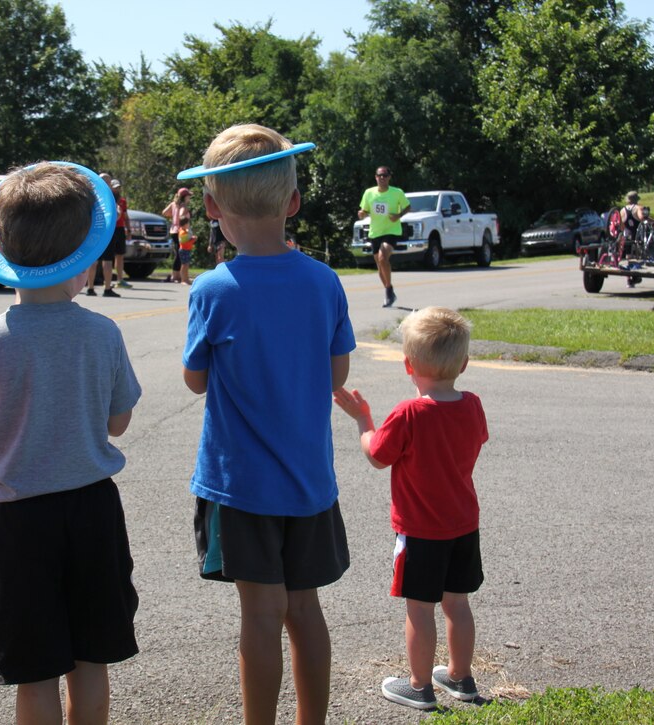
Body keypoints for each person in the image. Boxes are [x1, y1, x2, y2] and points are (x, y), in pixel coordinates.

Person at [0, 164, 142, 724]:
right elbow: (118, 423)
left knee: (34, 668)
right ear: (86, 248)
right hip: (94, 510)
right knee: (90, 658)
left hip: (21, 519)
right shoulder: (103, 332)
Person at [182, 124, 355, 724]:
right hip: (308, 481)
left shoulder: (211, 290)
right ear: (293, 202)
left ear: (210, 206)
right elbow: (336, 376)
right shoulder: (324, 281)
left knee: (258, 615)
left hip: (241, 485)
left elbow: (196, 380)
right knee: (303, 609)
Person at [333, 306, 488, 712]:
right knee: (457, 602)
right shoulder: (472, 405)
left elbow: (378, 455)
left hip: (421, 530)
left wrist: (364, 421)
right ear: (464, 363)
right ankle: (460, 676)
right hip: (463, 525)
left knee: (419, 607)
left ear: (408, 365)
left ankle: (420, 686)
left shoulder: (409, 413)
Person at [358, 166, 411, 307]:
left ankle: (388, 291)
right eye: (379, 175)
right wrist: (362, 213)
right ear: (375, 177)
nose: (382, 178)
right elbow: (364, 210)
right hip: (375, 232)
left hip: (392, 230)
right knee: (380, 265)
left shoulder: (397, 192)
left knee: (383, 258)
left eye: (385, 175)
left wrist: (398, 215)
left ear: (389, 177)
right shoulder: (369, 193)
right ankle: (389, 289)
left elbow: (408, 207)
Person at [86, 172, 122, 297]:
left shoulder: (91, 194)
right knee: (104, 261)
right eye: (108, 181)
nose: (108, 184)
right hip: (104, 231)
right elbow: (117, 214)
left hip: (96, 231)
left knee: (97, 260)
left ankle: (92, 288)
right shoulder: (108, 196)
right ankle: (105, 288)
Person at [162, 186, 191, 282]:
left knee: (178, 253)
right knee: (180, 253)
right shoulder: (183, 206)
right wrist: (183, 219)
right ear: (184, 197)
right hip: (180, 231)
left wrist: (173, 216)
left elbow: (164, 212)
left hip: (173, 230)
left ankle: (176, 274)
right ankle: (175, 275)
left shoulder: (173, 204)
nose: (189, 198)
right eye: (188, 196)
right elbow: (181, 216)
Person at [620, 191, 647, 287]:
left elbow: (621, 226)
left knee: (628, 257)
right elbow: (641, 218)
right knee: (637, 257)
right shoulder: (638, 208)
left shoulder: (622, 210)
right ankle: (636, 277)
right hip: (637, 235)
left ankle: (629, 280)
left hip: (627, 236)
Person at [111, 178, 132, 289]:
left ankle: (120, 279)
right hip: (110, 229)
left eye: (118, 188)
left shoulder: (122, 201)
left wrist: (128, 230)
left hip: (120, 228)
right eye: (115, 188)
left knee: (120, 255)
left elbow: (125, 216)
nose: (117, 190)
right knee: (109, 257)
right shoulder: (108, 199)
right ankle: (108, 280)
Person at [177, 217, 196, 284]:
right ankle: (183, 280)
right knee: (184, 265)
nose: (189, 224)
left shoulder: (185, 231)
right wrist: (193, 240)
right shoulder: (182, 232)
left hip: (187, 249)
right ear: (184, 224)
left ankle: (186, 278)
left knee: (187, 264)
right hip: (183, 250)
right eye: (188, 223)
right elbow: (184, 242)